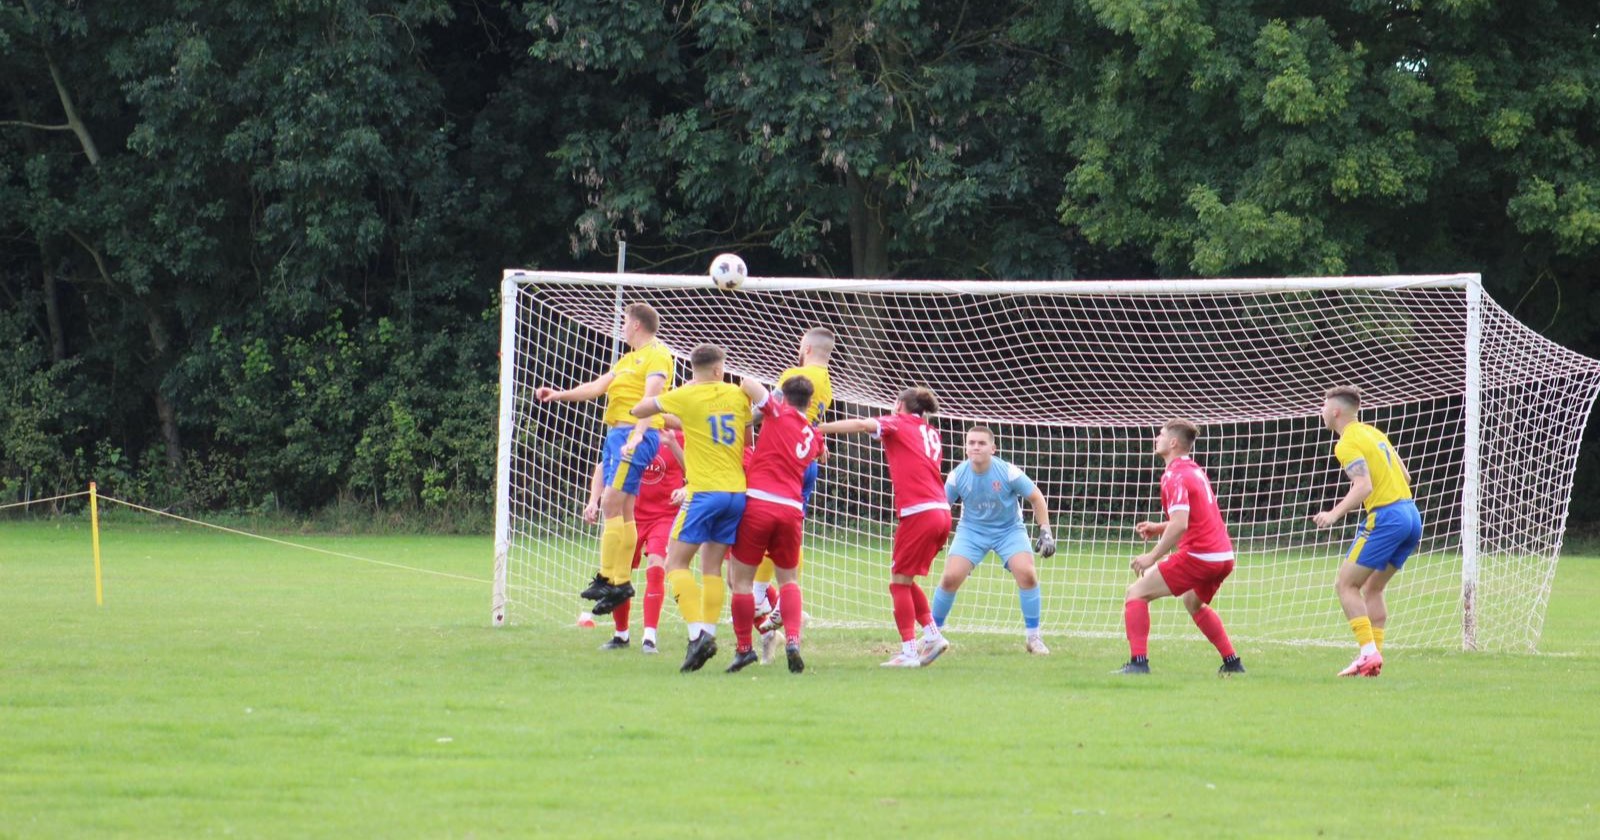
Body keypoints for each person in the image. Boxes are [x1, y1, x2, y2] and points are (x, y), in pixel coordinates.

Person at [630, 343, 765, 672]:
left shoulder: (687, 396)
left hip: (704, 493)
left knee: (674, 563)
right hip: (736, 493)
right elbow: (747, 441)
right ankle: (710, 633)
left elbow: (639, 409)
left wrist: (684, 392)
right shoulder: (736, 395)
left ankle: (697, 634)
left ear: (695, 370)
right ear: (720, 369)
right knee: (711, 568)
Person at [535, 303, 672, 615]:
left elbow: (651, 398)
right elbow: (595, 388)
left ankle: (610, 579)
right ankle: (619, 581)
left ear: (637, 325)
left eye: (624, 322)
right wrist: (557, 394)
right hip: (615, 437)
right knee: (623, 509)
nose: (622, 326)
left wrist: (638, 434)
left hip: (633, 436)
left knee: (610, 502)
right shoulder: (625, 360)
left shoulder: (657, 354)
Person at [818, 387, 951, 668]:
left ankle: (909, 652)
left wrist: (820, 428)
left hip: (920, 511)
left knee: (898, 584)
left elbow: (861, 424)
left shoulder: (898, 422)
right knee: (904, 578)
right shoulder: (931, 431)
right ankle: (932, 635)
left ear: (900, 404)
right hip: (941, 511)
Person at [1119, 419, 1245, 676]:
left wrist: (1151, 556)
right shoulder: (1195, 470)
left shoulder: (1173, 475)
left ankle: (1138, 664)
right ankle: (1232, 662)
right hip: (1224, 556)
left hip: (1201, 556)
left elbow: (1181, 524)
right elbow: (1194, 518)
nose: (1157, 438)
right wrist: (1159, 527)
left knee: (1136, 593)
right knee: (1193, 602)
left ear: (1173, 443)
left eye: (1161, 434)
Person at [1312, 385, 1422, 678]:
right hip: (1411, 514)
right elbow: (1406, 475)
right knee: (1373, 587)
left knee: (1345, 585)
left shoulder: (1346, 443)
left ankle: (1367, 653)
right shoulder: (1374, 432)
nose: (1321, 411)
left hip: (1387, 517)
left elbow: (1364, 486)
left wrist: (1334, 514)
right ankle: (1374, 659)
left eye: (1323, 406)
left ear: (1335, 411)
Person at [927, 426, 1056, 661]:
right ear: (965, 447)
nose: (976, 447)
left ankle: (1033, 637)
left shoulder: (1008, 472)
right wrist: (937, 538)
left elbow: (1036, 497)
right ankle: (932, 636)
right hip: (972, 531)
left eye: (981, 443)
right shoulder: (957, 476)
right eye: (971, 443)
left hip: (1009, 529)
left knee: (1027, 574)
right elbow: (942, 508)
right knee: (949, 578)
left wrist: (1045, 531)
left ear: (993, 448)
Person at [725, 375, 822, 674]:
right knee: (789, 581)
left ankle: (744, 649)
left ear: (783, 397)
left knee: (740, 582)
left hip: (759, 502)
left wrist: (765, 402)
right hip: (792, 510)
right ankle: (792, 639)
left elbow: (747, 382)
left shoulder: (776, 411)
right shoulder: (814, 436)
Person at [753, 327, 836, 647]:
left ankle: (759, 596)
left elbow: (767, 410)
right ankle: (775, 602)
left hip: (781, 460)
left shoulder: (795, 373)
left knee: (762, 526)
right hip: (807, 459)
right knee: (790, 528)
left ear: (806, 348)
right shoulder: (828, 382)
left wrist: (737, 421)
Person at [586, 422, 686, 654]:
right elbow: (603, 467)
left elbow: (692, 468)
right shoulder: (628, 434)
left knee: (656, 565)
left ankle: (649, 637)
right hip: (630, 516)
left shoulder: (674, 435)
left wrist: (685, 487)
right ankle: (621, 635)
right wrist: (593, 500)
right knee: (622, 573)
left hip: (663, 516)